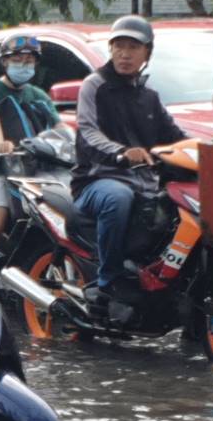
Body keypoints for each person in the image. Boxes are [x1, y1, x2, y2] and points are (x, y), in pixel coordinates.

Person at [72, 15, 186, 299]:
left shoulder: (149, 97)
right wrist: (122, 153)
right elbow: (88, 133)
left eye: (133, 47)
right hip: (97, 180)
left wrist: (210, 153)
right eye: (119, 46)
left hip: (145, 182)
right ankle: (108, 280)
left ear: (147, 52)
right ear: (110, 50)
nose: (125, 53)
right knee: (117, 198)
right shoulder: (95, 86)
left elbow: (175, 136)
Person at [0, 35, 66, 281]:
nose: (24, 65)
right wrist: (1, 144)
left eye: (29, 60)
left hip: (36, 171)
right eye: (17, 60)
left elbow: (60, 127)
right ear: (4, 63)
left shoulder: (38, 95)